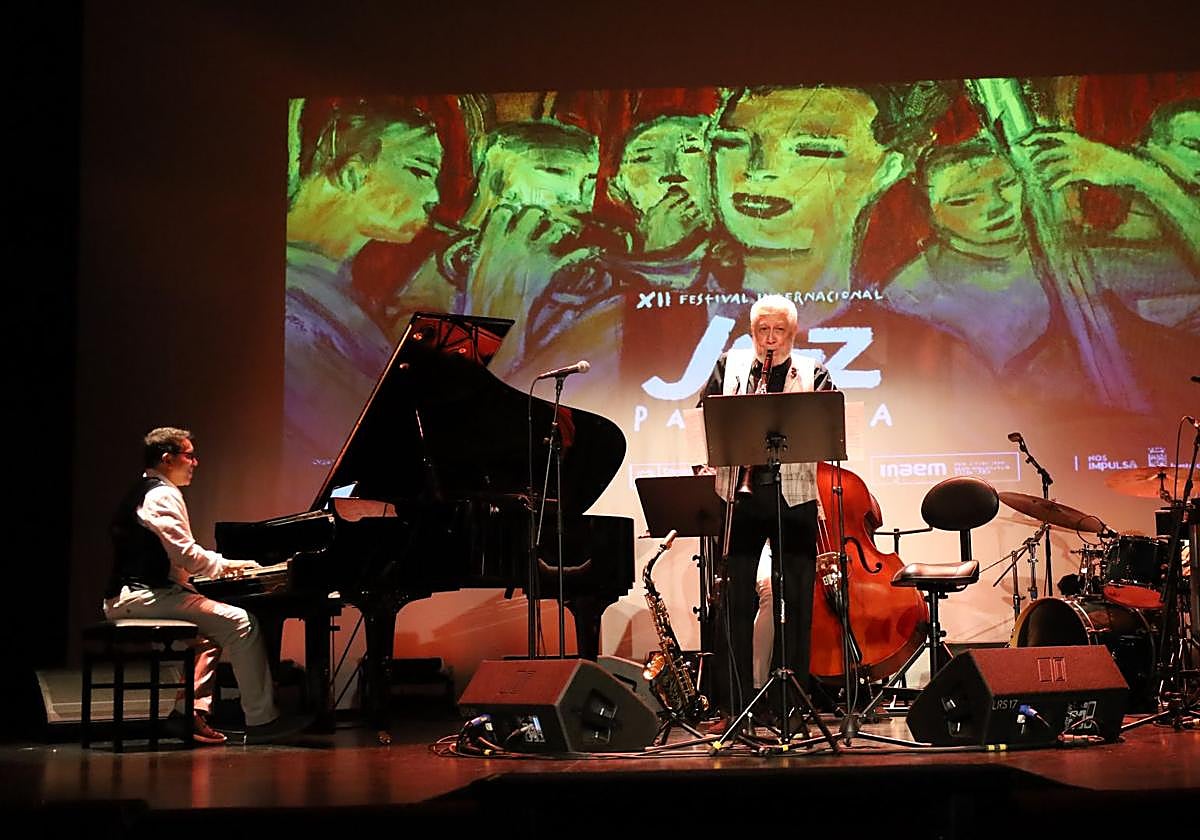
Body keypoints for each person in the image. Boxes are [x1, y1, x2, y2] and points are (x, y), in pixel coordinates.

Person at [103, 427, 311, 745]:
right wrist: (228, 565)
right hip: (142, 596)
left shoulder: (148, 490)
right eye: (189, 455)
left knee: (211, 634)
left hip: (139, 594)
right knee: (242, 623)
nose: (195, 462)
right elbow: (185, 555)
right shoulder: (160, 494)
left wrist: (220, 568)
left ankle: (187, 713)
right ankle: (261, 720)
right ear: (167, 458)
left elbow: (177, 559)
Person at [286, 100, 444, 496]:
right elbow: (391, 434)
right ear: (354, 174)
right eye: (420, 171)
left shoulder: (340, 289)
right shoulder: (292, 298)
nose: (434, 197)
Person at [700, 295, 836, 733]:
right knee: (734, 601)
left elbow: (828, 424)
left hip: (794, 496)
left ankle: (791, 705)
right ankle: (734, 706)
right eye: (763, 331)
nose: (770, 339)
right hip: (740, 496)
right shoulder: (731, 366)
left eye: (779, 331)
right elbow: (708, 418)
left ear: (792, 334)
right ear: (752, 331)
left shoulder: (813, 372)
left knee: (796, 600)